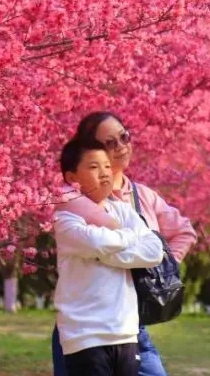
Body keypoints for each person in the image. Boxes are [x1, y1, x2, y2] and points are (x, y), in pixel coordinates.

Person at [53, 112, 198, 376]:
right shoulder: (69, 200)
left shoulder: (142, 197)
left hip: (128, 322)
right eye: (110, 143)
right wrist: (131, 247)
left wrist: (163, 266)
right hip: (86, 327)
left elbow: (175, 236)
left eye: (124, 137)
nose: (121, 146)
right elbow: (87, 242)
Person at [54, 138, 164, 376]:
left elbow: (154, 250)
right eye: (94, 167)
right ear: (72, 178)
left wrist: (105, 255)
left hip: (125, 330)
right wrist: (130, 236)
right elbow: (95, 241)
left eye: (106, 166)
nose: (104, 173)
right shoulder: (65, 219)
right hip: (85, 335)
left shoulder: (122, 210)